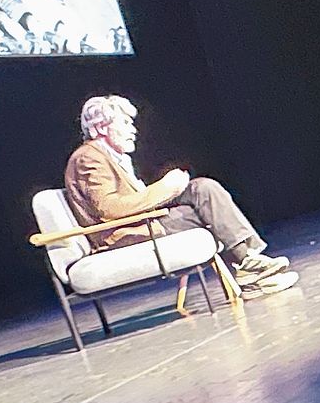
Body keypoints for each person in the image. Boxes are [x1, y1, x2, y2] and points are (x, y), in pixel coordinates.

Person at [65, 96, 297, 294]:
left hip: (141, 223)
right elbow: (108, 208)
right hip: (124, 234)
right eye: (125, 123)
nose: (133, 130)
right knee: (208, 213)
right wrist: (165, 188)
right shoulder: (89, 158)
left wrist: (172, 188)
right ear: (103, 127)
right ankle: (249, 267)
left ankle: (248, 263)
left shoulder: (111, 155)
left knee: (202, 188)